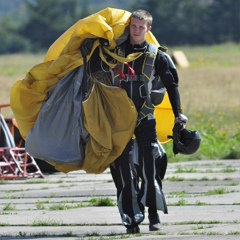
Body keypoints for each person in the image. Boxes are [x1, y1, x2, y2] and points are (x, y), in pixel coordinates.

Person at [87, 9, 187, 234]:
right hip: (119, 119)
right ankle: (131, 218)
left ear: (148, 29)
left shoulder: (157, 55)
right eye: (133, 26)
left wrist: (178, 115)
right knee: (122, 168)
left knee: (150, 168)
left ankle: (152, 213)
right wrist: (91, 49)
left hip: (145, 118)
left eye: (142, 27)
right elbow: (93, 69)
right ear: (129, 27)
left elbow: (172, 86)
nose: (137, 30)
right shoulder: (114, 53)